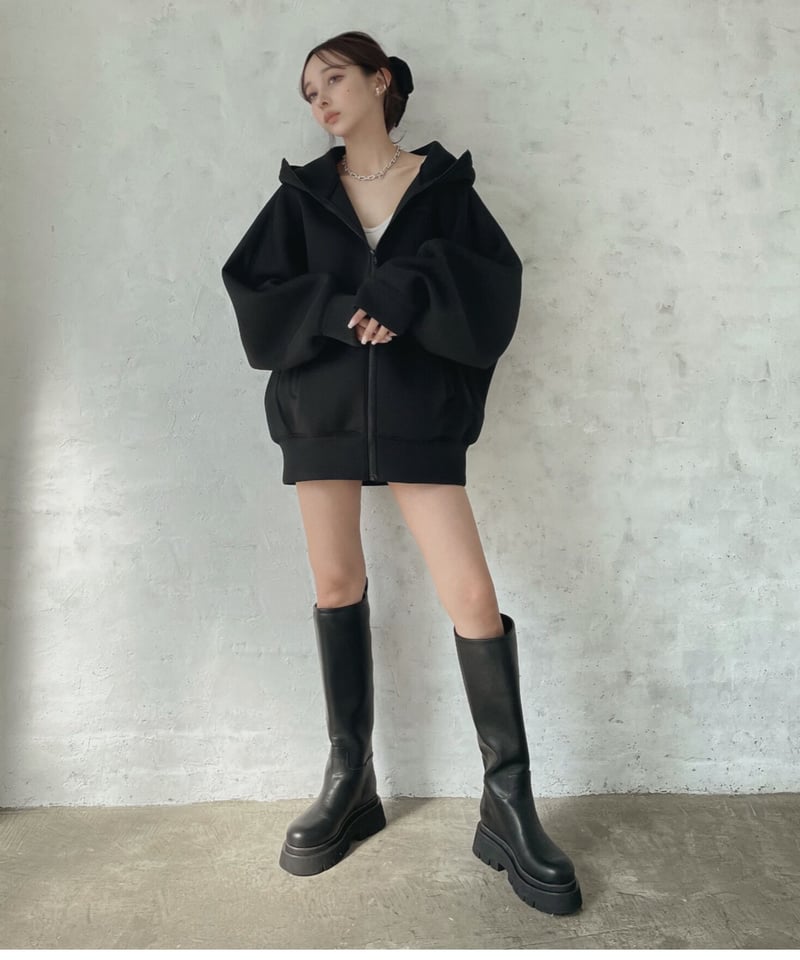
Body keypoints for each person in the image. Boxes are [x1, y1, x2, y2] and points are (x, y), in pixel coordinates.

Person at [221, 30, 582, 916]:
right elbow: (254, 292)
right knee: (335, 584)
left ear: (380, 81)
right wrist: (336, 307)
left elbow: (493, 286)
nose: (320, 99)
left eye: (333, 79)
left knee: (471, 595)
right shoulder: (301, 196)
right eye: (308, 91)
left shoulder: (444, 188)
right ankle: (350, 778)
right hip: (321, 412)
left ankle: (507, 801)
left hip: (420, 415)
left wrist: (408, 286)